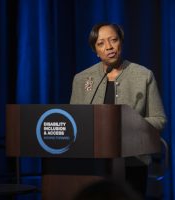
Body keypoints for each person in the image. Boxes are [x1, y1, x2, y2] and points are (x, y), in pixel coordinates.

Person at [70, 23, 167, 196]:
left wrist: (127, 126)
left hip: (133, 161)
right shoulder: (82, 78)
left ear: (121, 42)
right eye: (101, 43)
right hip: (92, 162)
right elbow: (74, 121)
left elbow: (159, 120)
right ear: (95, 50)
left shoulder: (143, 75)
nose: (109, 47)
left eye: (113, 40)